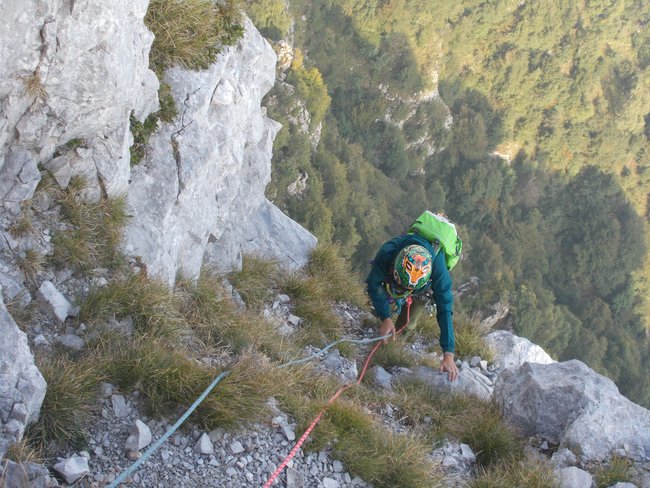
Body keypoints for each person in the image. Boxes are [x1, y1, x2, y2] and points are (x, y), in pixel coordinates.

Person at [366, 234, 459, 381]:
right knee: (380, 301)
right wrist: (385, 317)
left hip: (423, 290)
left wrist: (448, 353)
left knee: (408, 323)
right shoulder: (389, 251)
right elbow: (373, 283)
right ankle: (383, 319)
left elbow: (445, 309)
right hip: (394, 277)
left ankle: (394, 342)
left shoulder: (439, 273)